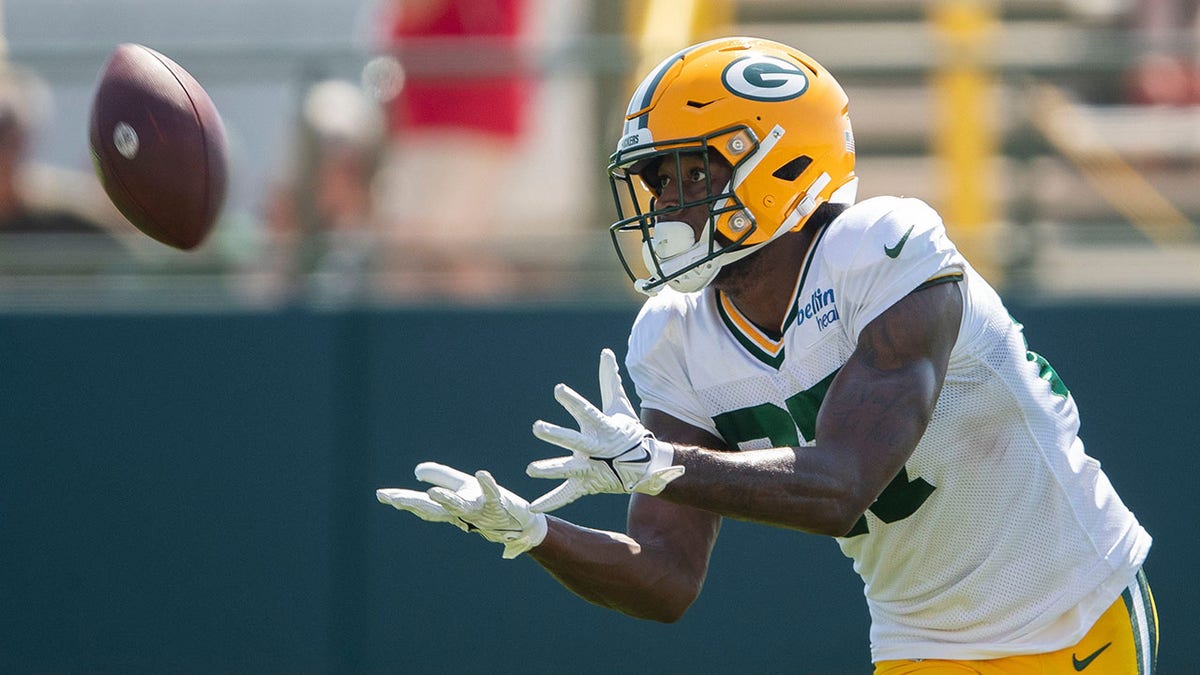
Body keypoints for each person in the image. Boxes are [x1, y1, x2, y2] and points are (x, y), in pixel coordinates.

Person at [377, 37, 1157, 673]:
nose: (666, 204)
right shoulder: (674, 333)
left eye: (690, 172)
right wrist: (535, 535)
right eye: (655, 180)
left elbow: (841, 485)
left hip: (1071, 609)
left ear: (781, 160)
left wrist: (655, 462)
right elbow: (664, 575)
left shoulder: (883, 248)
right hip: (921, 640)